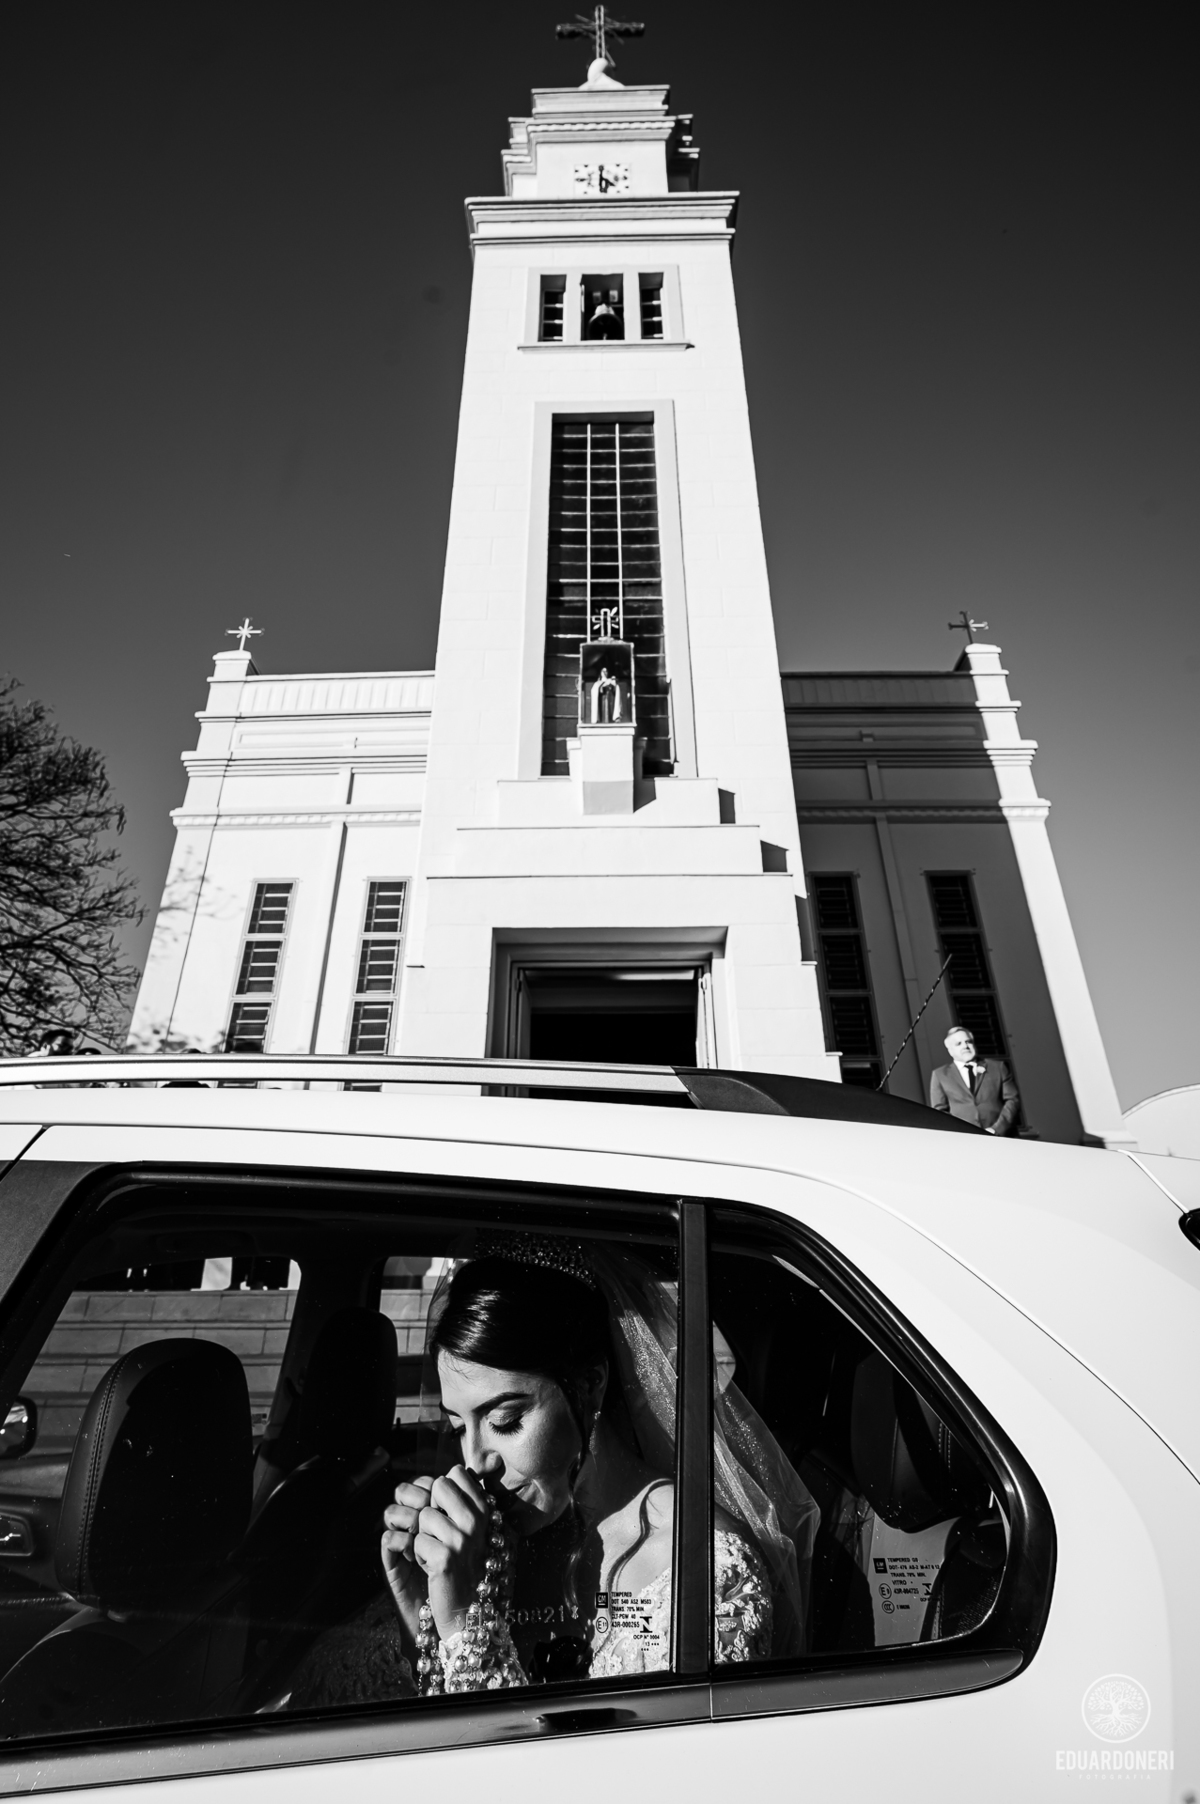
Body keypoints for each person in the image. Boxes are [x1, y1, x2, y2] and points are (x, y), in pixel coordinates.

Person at [287, 1235, 817, 1706]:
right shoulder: (492, 1541)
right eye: (456, 1427)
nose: (475, 1464)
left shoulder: (704, 1567)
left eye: (505, 1420)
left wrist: (464, 1628)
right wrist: (417, 1623)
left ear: (590, 1385)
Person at [930, 1026, 1020, 1135]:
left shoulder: (997, 1067)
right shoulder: (940, 1075)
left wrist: (996, 1129)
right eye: (958, 1044)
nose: (965, 1046)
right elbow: (939, 1112)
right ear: (950, 1050)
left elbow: (1012, 1100)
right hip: (964, 1141)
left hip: (1001, 1137)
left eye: (968, 1042)